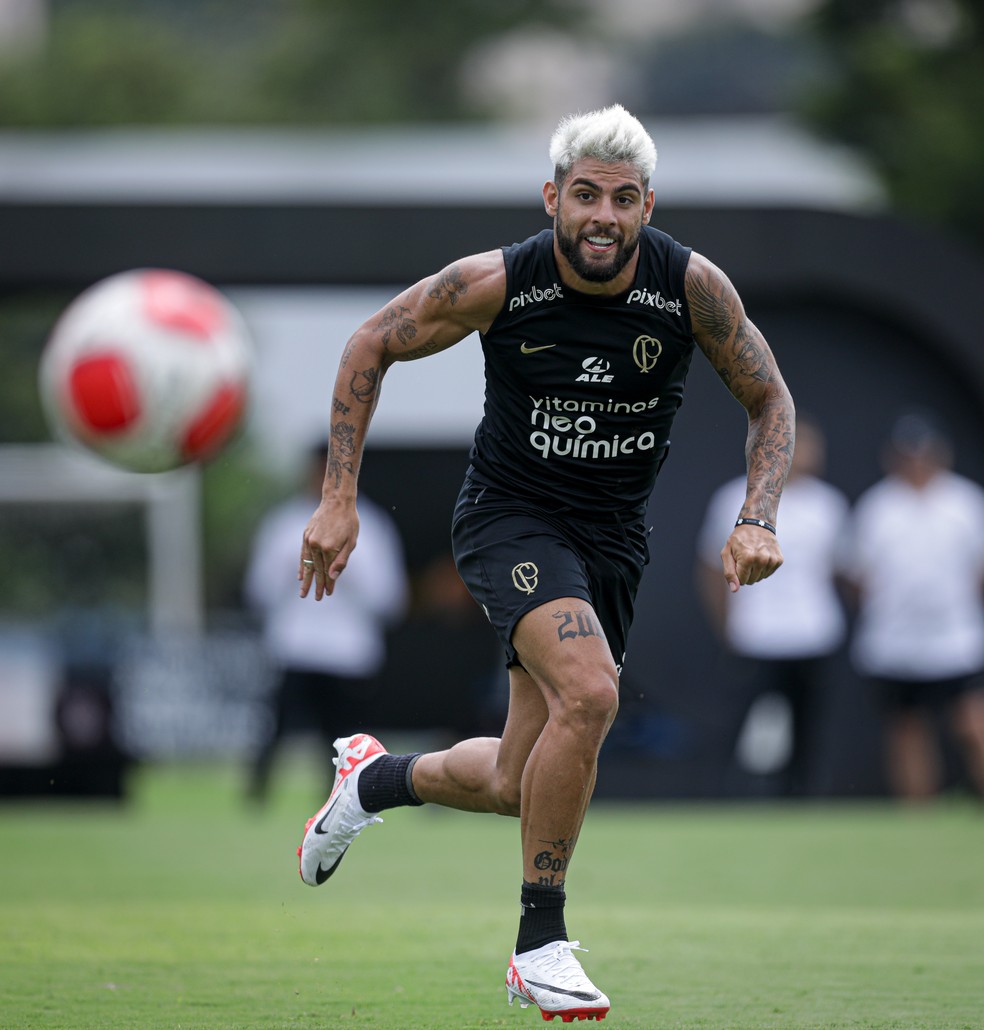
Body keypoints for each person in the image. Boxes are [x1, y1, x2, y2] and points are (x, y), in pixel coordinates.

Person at [296, 104, 795, 1022]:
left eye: (623, 199)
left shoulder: (691, 287)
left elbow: (770, 398)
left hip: (613, 542)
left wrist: (758, 515)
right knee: (593, 695)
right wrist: (337, 498)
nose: (603, 216)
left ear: (647, 207)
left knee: (512, 784)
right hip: (510, 521)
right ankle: (540, 945)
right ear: (552, 198)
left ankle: (371, 781)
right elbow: (372, 341)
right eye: (586, 195)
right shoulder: (498, 282)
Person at [243, 437, 407, 802]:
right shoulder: (284, 524)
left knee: (344, 739)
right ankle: (256, 797)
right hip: (295, 646)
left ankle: (342, 801)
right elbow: (258, 591)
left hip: (348, 652)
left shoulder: (372, 527)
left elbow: (390, 599)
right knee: (275, 730)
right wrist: (294, 568)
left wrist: (347, 571)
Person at [696, 416, 849, 796]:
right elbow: (711, 570)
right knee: (733, 726)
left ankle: (804, 802)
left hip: (814, 634)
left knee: (809, 730)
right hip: (755, 634)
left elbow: (841, 571)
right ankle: (718, 802)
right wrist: (729, 627)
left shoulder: (829, 505)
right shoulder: (733, 498)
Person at [843, 412, 984, 801]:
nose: (918, 463)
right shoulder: (877, 508)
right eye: (909, 455)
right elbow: (856, 576)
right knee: (907, 731)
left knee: (973, 722)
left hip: (956, 639)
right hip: (895, 642)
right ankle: (918, 815)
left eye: (924, 453)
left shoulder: (966, 503)